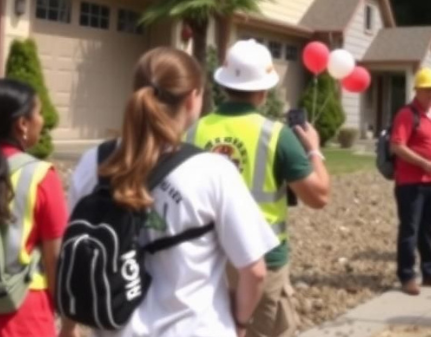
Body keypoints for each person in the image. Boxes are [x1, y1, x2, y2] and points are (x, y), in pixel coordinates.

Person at [67, 47, 278, 337]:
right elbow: (254, 272)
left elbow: (73, 246)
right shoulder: (212, 172)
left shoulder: (93, 162)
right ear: (193, 99)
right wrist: (240, 323)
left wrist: (68, 325)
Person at [185, 40, 330, 337]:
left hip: (207, 261)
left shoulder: (194, 131)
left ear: (224, 85)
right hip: (263, 262)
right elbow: (319, 196)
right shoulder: (277, 135)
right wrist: (314, 151)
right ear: (264, 92)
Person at [0, 80, 69, 337]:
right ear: (22, 124)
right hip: (25, 315)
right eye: (38, 112)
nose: (43, 119)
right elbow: (55, 260)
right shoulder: (40, 176)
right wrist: (68, 322)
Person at [389, 68, 431, 296]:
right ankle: (407, 276)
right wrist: (423, 163)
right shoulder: (407, 114)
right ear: (418, 90)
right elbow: (397, 146)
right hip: (411, 183)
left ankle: (430, 273)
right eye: (428, 89)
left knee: (428, 229)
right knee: (410, 229)